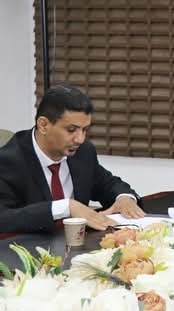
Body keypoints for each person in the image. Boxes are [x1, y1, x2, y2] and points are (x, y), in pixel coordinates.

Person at [0, 85, 145, 233]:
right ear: (43, 125)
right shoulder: (8, 161)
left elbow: (109, 184)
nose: (80, 139)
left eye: (84, 130)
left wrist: (124, 198)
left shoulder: (83, 152)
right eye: (71, 130)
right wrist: (66, 207)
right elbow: (4, 218)